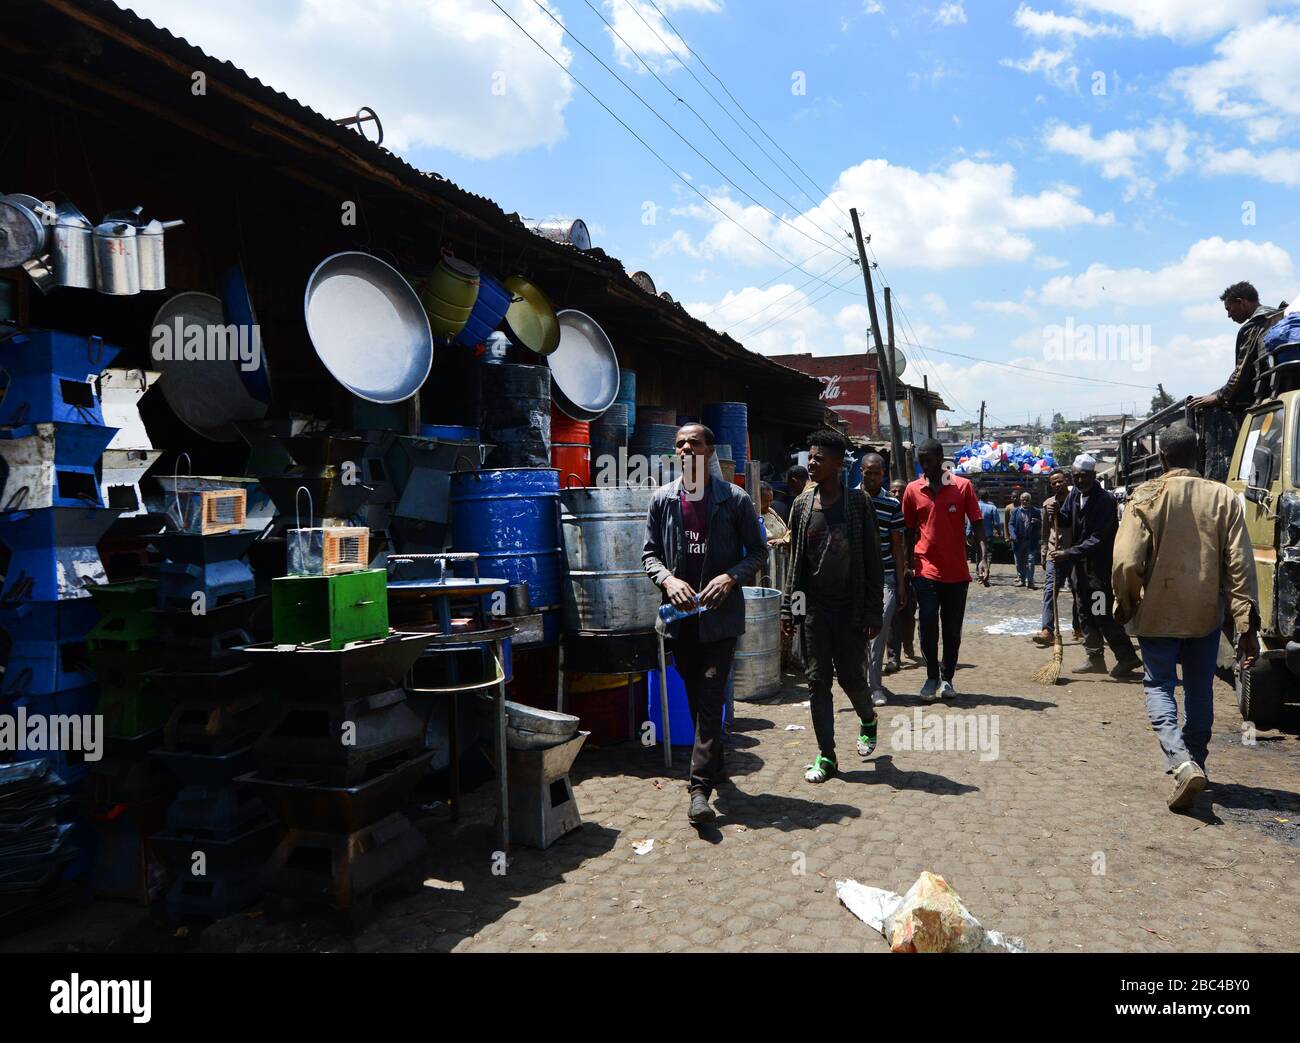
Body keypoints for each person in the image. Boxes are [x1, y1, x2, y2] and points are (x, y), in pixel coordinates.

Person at [1111, 423, 1259, 812]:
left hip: (1158, 613)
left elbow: (1126, 561)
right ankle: (1197, 761)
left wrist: (1126, 603)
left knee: (1159, 685)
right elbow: (1241, 564)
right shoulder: (1224, 498)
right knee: (1199, 689)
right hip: (1206, 615)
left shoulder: (1145, 496)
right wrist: (1245, 623)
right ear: (1199, 456)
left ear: (1161, 457)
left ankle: (1181, 762)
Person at [643, 423, 767, 824]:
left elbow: (759, 553)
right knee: (698, 698)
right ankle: (717, 764)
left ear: (709, 451)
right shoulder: (663, 500)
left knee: (711, 697)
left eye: (693, 443)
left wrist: (730, 577)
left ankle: (698, 789)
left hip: (721, 622)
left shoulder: (733, 499)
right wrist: (668, 579)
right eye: (678, 445)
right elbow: (649, 555)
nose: (684, 450)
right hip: (681, 620)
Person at [780, 430, 883, 783]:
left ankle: (868, 718)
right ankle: (827, 755)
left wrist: (873, 611)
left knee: (852, 678)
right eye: (809, 457)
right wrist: (788, 610)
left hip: (850, 609)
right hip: (814, 612)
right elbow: (796, 564)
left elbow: (872, 560)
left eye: (819, 458)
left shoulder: (858, 503)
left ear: (838, 464)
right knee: (816, 683)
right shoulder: (801, 506)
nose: (811, 463)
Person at [903, 438, 989, 701]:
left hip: (956, 574)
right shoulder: (912, 490)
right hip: (925, 569)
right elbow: (908, 532)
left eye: (928, 460)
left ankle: (947, 678)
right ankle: (931, 676)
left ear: (941, 457)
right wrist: (906, 566)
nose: (925, 466)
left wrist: (983, 557)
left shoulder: (962, 487)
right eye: (921, 461)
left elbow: (977, 524)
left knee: (952, 630)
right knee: (928, 623)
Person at [1052, 453, 1142, 678]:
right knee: (1084, 612)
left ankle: (1127, 657)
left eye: (1083, 476)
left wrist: (1068, 553)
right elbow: (1065, 519)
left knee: (1101, 613)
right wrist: (1055, 513)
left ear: (1093, 475)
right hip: (1079, 569)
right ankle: (1094, 657)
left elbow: (1098, 538)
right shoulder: (1074, 495)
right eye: (1075, 477)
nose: (1079, 481)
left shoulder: (1105, 500)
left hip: (1098, 571)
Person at [858, 452, 907, 706]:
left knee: (878, 633)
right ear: (861, 472)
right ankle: (861, 684)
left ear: (883, 475)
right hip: (855, 579)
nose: (873, 477)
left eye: (878, 473)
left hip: (886, 577)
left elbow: (898, 547)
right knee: (857, 636)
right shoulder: (849, 499)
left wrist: (900, 584)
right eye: (869, 473)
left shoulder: (892, 505)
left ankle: (875, 686)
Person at [1189, 282, 1285, 412]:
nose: (1229, 315)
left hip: (1265, 394)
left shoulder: (1253, 326)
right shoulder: (1281, 316)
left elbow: (1241, 371)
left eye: (1229, 309)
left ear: (1241, 303)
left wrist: (1219, 397)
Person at [1034, 469, 1081, 646]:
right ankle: (1047, 630)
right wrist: (1044, 549)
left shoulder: (1076, 500)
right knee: (1049, 590)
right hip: (1054, 553)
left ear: (1066, 481)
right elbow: (1046, 530)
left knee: (1078, 590)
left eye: (1060, 481)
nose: (1057, 485)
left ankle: (1078, 626)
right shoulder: (1048, 504)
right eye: (1053, 483)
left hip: (1074, 552)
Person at [887, 476, 918, 670]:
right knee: (892, 614)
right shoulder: (885, 511)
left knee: (909, 612)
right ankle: (893, 656)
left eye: (901, 491)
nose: (897, 494)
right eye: (894, 491)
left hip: (911, 572)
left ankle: (908, 643)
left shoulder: (912, 515)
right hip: (890, 569)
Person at [1008, 492, 1042, 589]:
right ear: (1020, 500)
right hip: (1018, 541)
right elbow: (1011, 524)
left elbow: (1041, 525)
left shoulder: (1036, 511)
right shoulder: (1015, 511)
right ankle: (1022, 579)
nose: (1025, 501)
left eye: (1027, 499)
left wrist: (1037, 522)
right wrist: (1013, 536)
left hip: (1031, 540)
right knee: (1019, 561)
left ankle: (1030, 581)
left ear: (1030, 500)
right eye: (1023, 499)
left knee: (1030, 561)